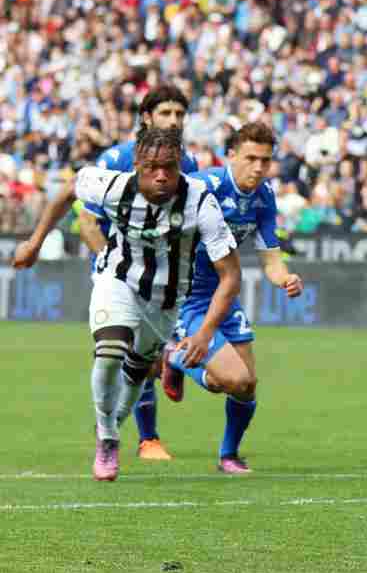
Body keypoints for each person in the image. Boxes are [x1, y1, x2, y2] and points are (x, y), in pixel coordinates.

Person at [11, 127, 240, 481]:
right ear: (136, 165)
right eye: (151, 167)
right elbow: (68, 189)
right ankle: (107, 435)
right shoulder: (113, 186)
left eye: (169, 166)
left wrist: (205, 333)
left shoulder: (199, 201)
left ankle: (114, 423)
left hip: (165, 301)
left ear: (180, 165)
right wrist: (35, 242)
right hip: (116, 279)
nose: (161, 175)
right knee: (109, 351)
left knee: (139, 370)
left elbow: (230, 276)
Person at [160, 122, 304, 474]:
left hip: (225, 294)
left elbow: (270, 258)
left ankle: (228, 456)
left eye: (265, 160)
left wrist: (285, 278)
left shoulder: (264, 197)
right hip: (187, 296)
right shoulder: (203, 186)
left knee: (245, 385)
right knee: (235, 379)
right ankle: (175, 357)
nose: (258, 167)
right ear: (232, 156)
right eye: (250, 158)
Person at [79, 84, 199, 461]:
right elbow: (86, 221)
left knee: (141, 360)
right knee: (114, 351)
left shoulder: (188, 164)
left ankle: (142, 417)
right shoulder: (116, 159)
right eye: (166, 114)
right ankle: (140, 436)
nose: (174, 121)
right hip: (118, 271)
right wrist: (112, 263)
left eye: (179, 115)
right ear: (146, 117)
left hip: (163, 281)